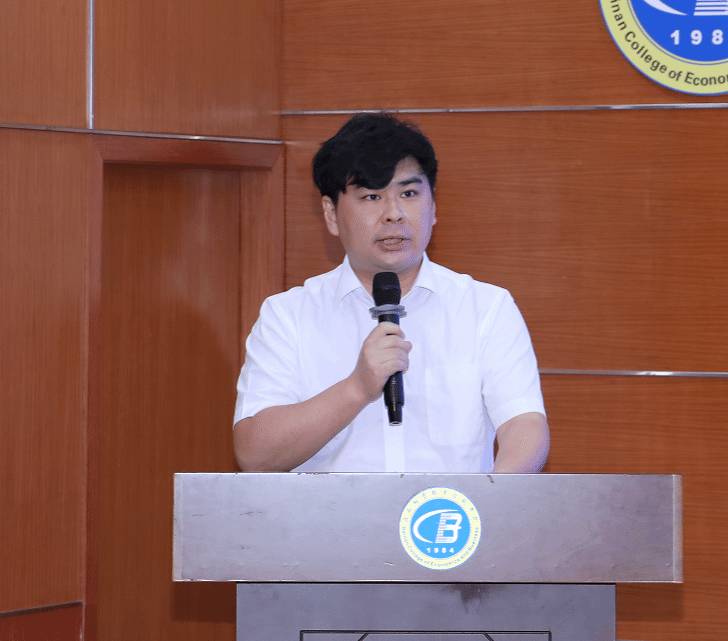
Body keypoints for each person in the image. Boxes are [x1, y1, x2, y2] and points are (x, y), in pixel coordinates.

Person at [233, 113, 549, 473]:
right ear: (331, 214)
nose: (393, 214)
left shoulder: (486, 308)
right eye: (371, 196)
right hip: (331, 512)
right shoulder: (287, 315)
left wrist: (492, 500)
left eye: (409, 193)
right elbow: (254, 455)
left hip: (450, 512)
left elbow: (524, 426)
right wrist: (356, 388)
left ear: (433, 207)